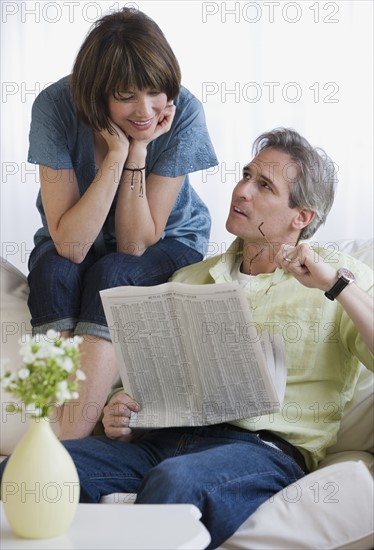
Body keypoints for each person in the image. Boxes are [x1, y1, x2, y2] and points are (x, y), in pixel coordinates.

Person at [3, 128, 372, 549]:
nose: (242, 190)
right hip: (161, 439)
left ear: (301, 217)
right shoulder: (189, 278)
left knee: (176, 481)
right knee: (26, 475)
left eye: (263, 185)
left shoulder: (342, 279)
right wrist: (121, 412)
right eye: (246, 175)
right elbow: (142, 380)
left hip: (259, 451)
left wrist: (337, 288)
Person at [25, 7, 218, 439]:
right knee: (55, 272)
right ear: (96, 94)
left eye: (155, 92)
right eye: (127, 96)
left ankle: (68, 446)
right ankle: (59, 427)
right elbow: (72, 247)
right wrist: (114, 153)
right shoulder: (55, 107)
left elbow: (135, 245)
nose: (146, 110)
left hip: (165, 238)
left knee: (114, 272)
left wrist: (138, 151)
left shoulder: (183, 111)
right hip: (76, 238)